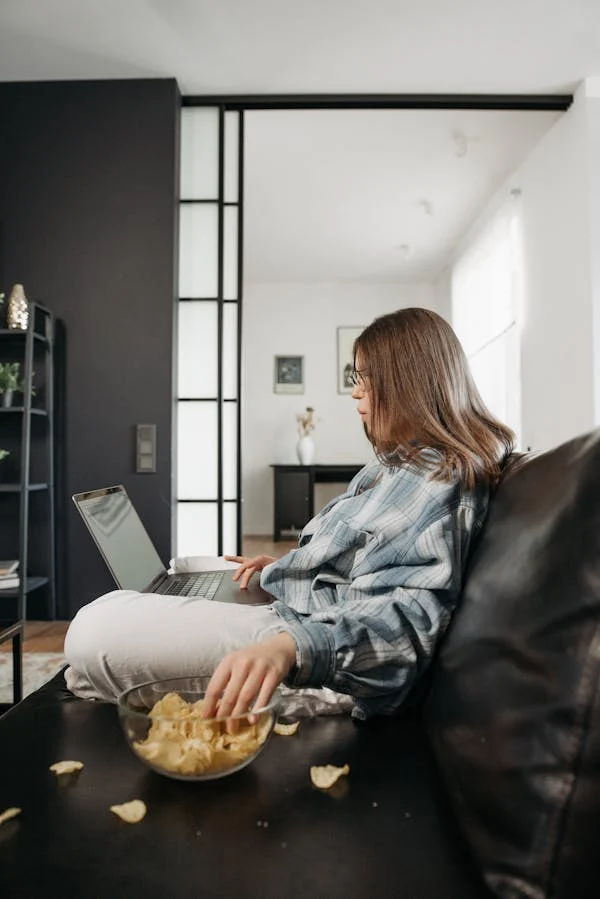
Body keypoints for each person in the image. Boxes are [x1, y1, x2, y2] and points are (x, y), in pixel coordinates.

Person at [64, 307, 514, 721]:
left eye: (365, 378)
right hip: (299, 609)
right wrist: (285, 569)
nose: (355, 392)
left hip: (322, 656)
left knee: (92, 629)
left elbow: (408, 621)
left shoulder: (441, 477)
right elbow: (355, 564)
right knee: (177, 575)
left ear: (408, 383)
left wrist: (289, 650)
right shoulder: (397, 466)